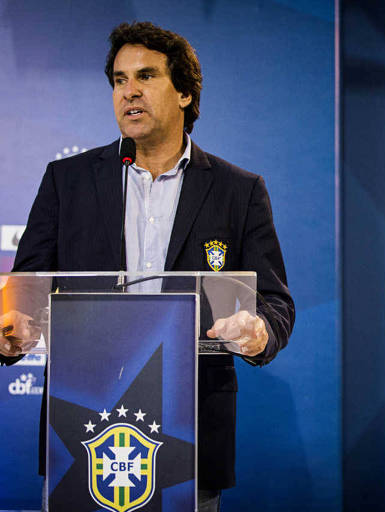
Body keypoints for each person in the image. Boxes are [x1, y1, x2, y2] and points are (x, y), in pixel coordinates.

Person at [0, 21, 294, 511]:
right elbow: (26, 289)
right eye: (119, 80)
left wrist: (258, 330)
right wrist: (9, 331)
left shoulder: (237, 191)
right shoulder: (66, 181)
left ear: (184, 93)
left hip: (190, 428)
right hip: (80, 426)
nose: (128, 91)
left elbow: (276, 303)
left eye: (146, 76)